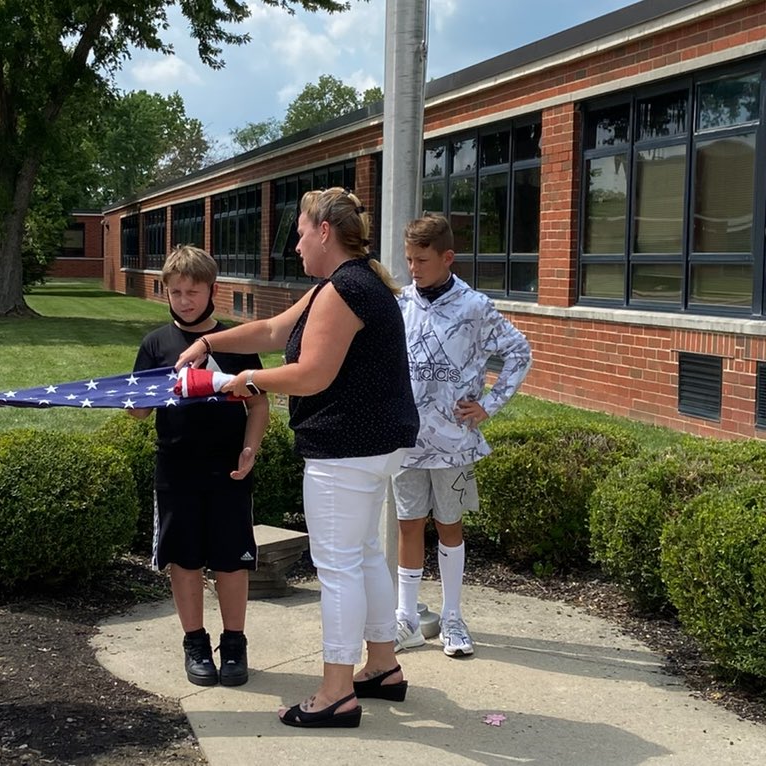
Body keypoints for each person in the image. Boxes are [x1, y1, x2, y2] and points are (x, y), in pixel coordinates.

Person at [175, 188, 418, 729]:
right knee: (362, 554)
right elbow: (271, 330)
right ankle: (381, 667)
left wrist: (240, 379)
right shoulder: (349, 283)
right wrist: (210, 344)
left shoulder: (343, 290)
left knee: (337, 567)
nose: (296, 244)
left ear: (324, 231)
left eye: (301, 232)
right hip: (378, 444)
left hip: (347, 448)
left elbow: (312, 374)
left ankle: (336, 691)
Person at [392, 213, 532, 657]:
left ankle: (453, 617)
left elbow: (519, 352)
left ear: (447, 257)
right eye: (409, 259)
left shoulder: (475, 307)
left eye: (422, 260)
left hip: (454, 444)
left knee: (449, 525)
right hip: (407, 442)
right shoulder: (400, 303)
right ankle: (407, 618)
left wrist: (488, 405)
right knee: (408, 524)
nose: (414, 268)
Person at [130, 244, 269, 688]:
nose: (185, 300)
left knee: (232, 562)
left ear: (213, 289)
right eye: (175, 292)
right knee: (184, 561)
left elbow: (260, 405)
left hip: (229, 470)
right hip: (176, 470)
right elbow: (138, 411)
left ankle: (234, 645)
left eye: (193, 291)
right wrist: (137, 395)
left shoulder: (237, 341)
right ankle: (195, 644)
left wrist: (251, 448)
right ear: (165, 292)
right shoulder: (155, 344)